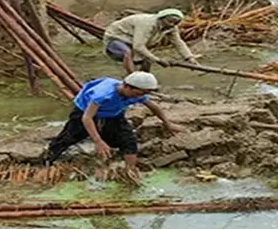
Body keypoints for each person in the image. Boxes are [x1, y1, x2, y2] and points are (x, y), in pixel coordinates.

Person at [44, 72, 185, 178]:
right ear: (127, 86)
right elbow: (87, 118)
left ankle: (130, 172)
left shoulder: (137, 92)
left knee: (129, 140)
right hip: (84, 112)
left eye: (143, 94)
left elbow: (153, 107)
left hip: (114, 114)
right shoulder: (103, 94)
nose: (139, 97)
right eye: (137, 93)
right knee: (67, 138)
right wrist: (98, 141)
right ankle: (47, 162)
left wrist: (168, 124)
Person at [103, 8, 199, 74]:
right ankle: (132, 80)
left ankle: (144, 80)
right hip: (117, 38)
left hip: (134, 40)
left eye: (176, 22)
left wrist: (189, 58)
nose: (172, 24)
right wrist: (158, 60)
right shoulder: (147, 24)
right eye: (170, 21)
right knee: (127, 53)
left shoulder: (172, 28)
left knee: (147, 59)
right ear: (162, 18)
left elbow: (178, 42)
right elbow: (138, 46)